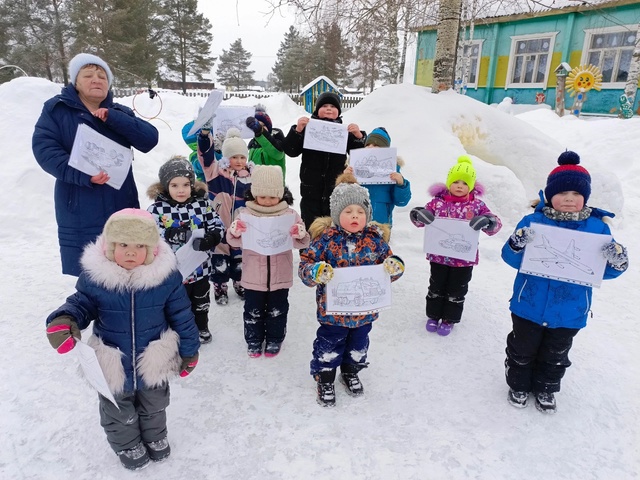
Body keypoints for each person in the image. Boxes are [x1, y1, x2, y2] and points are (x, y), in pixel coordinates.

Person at [45, 208, 199, 470]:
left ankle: (155, 437)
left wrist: (189, 351)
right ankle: (128, 444)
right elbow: (80, 304)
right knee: (117, 409)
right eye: (123, 244)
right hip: (112, 359)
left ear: (151, 250)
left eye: (140, 245)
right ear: (109, 247)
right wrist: (64, 320)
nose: (130, 252)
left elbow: (182, 316)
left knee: (155, 404)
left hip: (154, 356)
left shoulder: (166, 279)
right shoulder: (96, 279)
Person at [502, 151, 628, 413]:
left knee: (555, 355)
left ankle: (546, 388)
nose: (569, 199)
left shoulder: (598, 229)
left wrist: (616, 261)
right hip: (529, 304)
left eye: (576, 194)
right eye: (561, 193)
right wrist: (515, 245)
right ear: (550, 196)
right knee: (522, 348)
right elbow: (512, 259)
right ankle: (518, 383)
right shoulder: (533, 222)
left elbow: (604, 271)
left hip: (569, 310)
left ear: (585, 198)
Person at [32, 53, 159, 276]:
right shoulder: (56, 110)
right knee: (89, 271)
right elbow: (45, 151)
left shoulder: (120, 112)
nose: (96, 79)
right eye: (88, 74)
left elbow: (149, 139)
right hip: (79, 201)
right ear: (76, 82)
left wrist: (113, 118)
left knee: (126, 263)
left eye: (102, 76)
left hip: (120, 199)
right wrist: (83, 175)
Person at [299, 174, 405, 407]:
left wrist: (395, 267)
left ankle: (351, 370)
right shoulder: (325, 240)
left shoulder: (375, 240)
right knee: (329, 345)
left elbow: (389, 268)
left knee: (358, 345)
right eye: (348, 211)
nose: (355, 215)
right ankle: (325, 376)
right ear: (337, 214)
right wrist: (315, 271)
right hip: (333, 313)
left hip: (364, 312)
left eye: (360, 211)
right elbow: (305, 267)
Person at [409, 155, 502, 336]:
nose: (460, 186)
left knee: (457, 290)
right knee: (436, 287)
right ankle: (434, 315)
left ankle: (450, 318)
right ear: (449, 182)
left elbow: (496, 224)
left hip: (463, 260)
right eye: (456, 181)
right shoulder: (438, 202)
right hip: (439, 256)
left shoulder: (477, 205)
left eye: (465, 183)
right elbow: (421, 219)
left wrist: (487, 221)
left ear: (472, 186)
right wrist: (418, 214)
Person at [227, 166, 310, 357]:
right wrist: (235, 231)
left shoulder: (289, 214)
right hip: (253, 275)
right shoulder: (245, 214)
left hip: (280, 274)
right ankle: (253, 339)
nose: (267, 201)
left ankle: (275, 338)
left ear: (280, 195)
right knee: (252, 310)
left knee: (278, 310)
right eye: (262, 196)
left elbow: (303, 241)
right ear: (254, 194)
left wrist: (300, 233)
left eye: (272, 197)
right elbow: (233, 240)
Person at [147, 156, 225, 344]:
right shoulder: (157, 209)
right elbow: (148, 232)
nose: (181, 190)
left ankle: (201, 327)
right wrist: (168, 234)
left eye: (185, 184)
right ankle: (179, 332)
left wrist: (212, 237)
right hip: (173, 271)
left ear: (192, 184)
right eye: (174, 185)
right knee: (177, 304)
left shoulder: (202, 204)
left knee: (201, 300)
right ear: (166, 186)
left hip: (200, 267)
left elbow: (217, 224)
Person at [283, 91, 367, 229]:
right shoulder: (308, 129)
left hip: (335, 190)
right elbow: (291, 150)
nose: (329, 108)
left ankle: (332, 250)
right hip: (310, 190)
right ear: (317, 110)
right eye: (325, 106)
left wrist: (358, 136)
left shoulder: (343, 131)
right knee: (310, 225)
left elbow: (359, 155)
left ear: (339, 112)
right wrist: (297, 130)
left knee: (333, 225)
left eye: (333, 106)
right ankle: (308, 249)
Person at [204, 128, 254, 305]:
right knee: (220, 258)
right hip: (220, 224)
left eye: (242, 157)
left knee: (240, 257)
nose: (239, 161)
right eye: (234, 157)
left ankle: (240, 283)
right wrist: (204, 137)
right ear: (226, 157)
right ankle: (220, 287)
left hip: (241, 227)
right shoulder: (216, 173)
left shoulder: (250, 177)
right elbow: (206, 157)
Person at [344, 127, 411, 229]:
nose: (371, 147)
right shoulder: (354, 167)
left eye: (376, 145)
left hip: (381, 225)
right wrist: (345, 178)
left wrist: (401, 184)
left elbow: (401, 202)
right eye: (368, 145)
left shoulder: (393, 171)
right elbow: (342, 196)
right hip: (354, 223)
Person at [245, 104, 287, 177]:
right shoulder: (253, 146)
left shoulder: (277, 142)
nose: (258, 128)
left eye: (262, 125)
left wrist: (260, 132)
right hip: (256, 186)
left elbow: (277, 154)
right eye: (255, 125)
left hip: (273, 187)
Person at [181, 116, 223, 182]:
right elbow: (202, 165)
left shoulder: (223, 150)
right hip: (207, 186)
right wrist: (216, 151)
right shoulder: (194, 156)